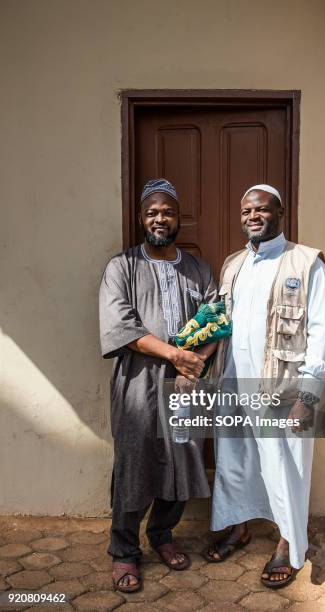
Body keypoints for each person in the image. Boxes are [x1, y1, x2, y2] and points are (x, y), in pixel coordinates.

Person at [206, 184, 325, 588]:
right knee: (236, 462)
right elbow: (221, 324)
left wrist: (309, 397)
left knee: (286, 470)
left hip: (284, 390)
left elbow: (322, 333)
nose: (252, 217)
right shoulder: (233, 265)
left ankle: (287, 545)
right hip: (234, 384)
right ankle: (239, 527)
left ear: (280, 213)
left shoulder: (306, 262)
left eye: (261, 210)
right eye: (246, 211)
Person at [99, 178, 218, 592]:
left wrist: (196, 363)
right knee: (135, 461)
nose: (160, 218)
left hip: (186, 385)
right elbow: (120, 325)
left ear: (177, 217)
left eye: (167, 211)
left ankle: (162, 536)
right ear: (140, 219)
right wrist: (173, 355)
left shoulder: (197, 268)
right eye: (151, 212)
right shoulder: (122, 267)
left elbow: (216, 321)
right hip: (137, 383)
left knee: (183, 457)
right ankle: (124, 551)